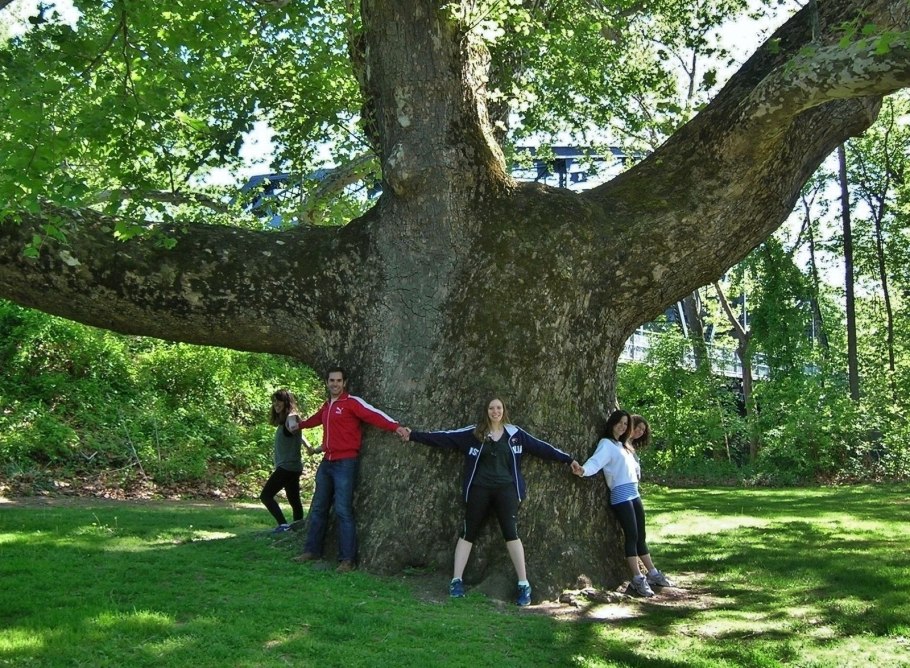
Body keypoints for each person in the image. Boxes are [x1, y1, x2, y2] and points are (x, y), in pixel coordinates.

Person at [402, 396, 579, 606]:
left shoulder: (515, 434)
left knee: (511, 533)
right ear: (486, 411)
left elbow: (542, 448)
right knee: (469, 532)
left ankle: (523, 584)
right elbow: (443, 438)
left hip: (506, 490)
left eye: (499, 408)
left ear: (504, 410)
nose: (495, 411)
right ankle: (456, 580)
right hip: (479, 490)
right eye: (491, 408)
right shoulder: (473, 433)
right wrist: (412, 435)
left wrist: (568, 460)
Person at [292, 366, 409, 573]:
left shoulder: (351, 403)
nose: (334, 384)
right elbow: (314, 420)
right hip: (326, 462)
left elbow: (374, 415)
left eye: (338, 381)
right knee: (319, 508)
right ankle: (312, 550)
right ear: (327, 383)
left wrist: (396, 427)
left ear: (344, 383)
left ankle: (347, 559)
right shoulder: (327, 406)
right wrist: (298, 426)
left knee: (343, 510)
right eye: (331, 381)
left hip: (345, 462)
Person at [571, 409, 672, 597]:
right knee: (632, 536)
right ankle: (637, 578)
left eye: (626, 424)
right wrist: (582, 470)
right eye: (620, 422)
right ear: (612, 423)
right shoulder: (606, 444)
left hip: (634, 494)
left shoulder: (623, 446)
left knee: (641, 535)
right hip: (620, 496)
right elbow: (596, 462)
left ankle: (653, 573)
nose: (622, 426)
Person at [260, 389, 312, 534]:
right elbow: (297, 434)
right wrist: (308, 447)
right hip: (293, 467)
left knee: (266, 496)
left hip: (287, 468)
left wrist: (293, 422)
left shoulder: (291, 417)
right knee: (294, 500)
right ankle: (298, 527)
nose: (276, 404)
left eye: (279, 401)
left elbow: (294, 426)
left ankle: (283, 525)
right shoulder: (284, 422)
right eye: (274, 401)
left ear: (286, 402)